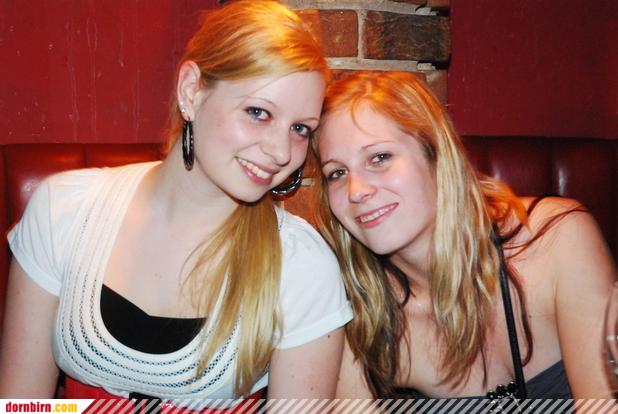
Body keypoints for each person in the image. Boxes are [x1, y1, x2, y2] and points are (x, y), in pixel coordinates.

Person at [0, 0, 353, 409]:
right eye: (258, 112)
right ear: (191, 91)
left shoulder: (300, 264)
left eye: (300, 129)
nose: (280, 151)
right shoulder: (65, 210)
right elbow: (21, 405)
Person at [312, 71, 617, 401]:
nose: (356, 190)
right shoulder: (357, 312)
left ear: (436, 155)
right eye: (337, 173)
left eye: (379, 157)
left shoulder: (555, 239)